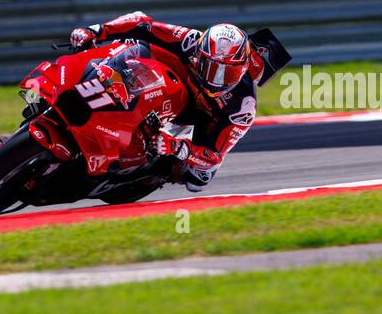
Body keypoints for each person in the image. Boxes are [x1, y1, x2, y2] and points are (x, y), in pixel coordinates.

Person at [68, 12, 264, 191]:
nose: (216, 79)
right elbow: (142, 23)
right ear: (199, 54)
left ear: (243, 68)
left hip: (197, 122)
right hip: (165, 86)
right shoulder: (190, 41)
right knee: (129, 43)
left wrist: (180, 148)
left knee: (197, 178)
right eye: (210, 67)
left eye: (226, 72)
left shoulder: (243, 107)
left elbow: (213, 155)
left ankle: (147, 169)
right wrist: (97, 31)